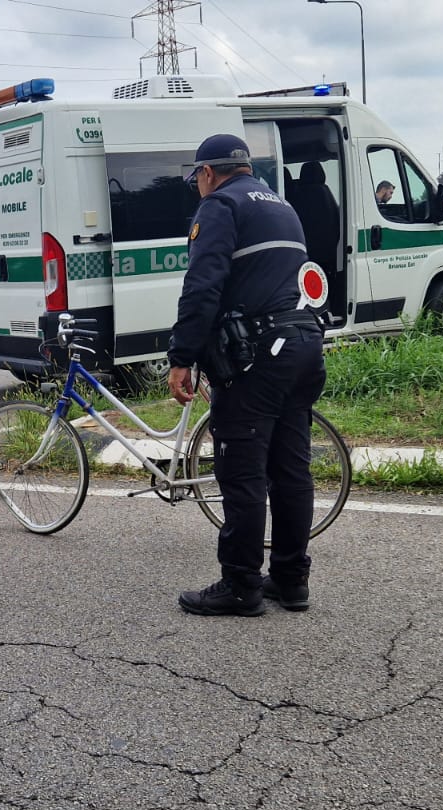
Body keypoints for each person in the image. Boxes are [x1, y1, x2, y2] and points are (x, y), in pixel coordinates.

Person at [166, 134, 327, 618]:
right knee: (291, 469)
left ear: (208, 172)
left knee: (242, 472)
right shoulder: (282, 205)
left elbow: (202, 286)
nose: (197, 185)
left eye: (197, 177)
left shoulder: (218, 206)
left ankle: (240, 585)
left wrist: (181, 356)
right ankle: (291, 580)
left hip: (257, 358)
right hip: (303, 347)